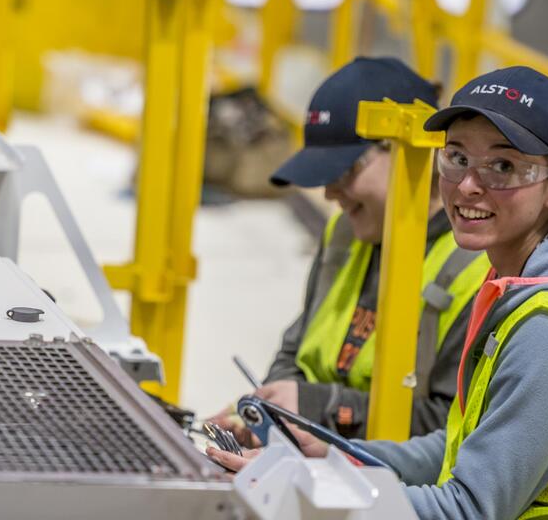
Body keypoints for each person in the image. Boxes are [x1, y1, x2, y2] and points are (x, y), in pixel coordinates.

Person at [210, 66, 548, 518]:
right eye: (456, 157)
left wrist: (311, 489)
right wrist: (334, 456)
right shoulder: (521, 276)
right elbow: (460, 447)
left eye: (503, 166)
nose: (467, 186)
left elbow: (468, 508)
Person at [210, 57, 491, 439]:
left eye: (344, 172)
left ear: (413, 149)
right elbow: (295, 349)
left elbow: (448, 428)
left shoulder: (477, 270)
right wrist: (274, 412)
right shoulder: (344, 234)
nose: (328, 193)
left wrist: (316, 410)